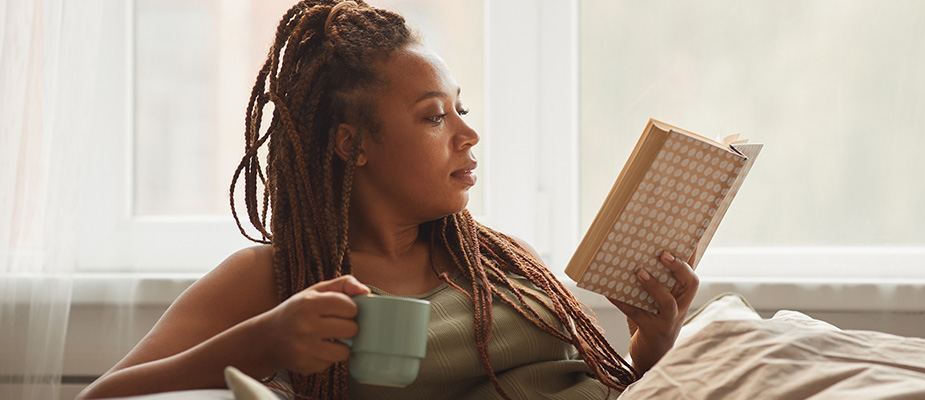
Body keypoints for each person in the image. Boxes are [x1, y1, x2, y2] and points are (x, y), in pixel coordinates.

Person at [77, 1, 698, 399]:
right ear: (353, 144)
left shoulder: (504, 262)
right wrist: (262, 343)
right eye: (433, 117)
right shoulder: (281, 277)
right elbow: (101, 397)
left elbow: (602, 382)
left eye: (463, 108)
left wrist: (652, 344)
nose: (468, 133)